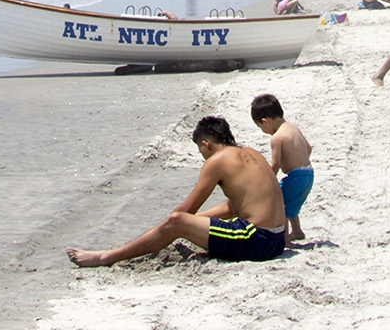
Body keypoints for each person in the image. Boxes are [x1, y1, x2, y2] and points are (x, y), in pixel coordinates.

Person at [67, 116, 286, 267]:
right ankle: (120, 250)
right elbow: (232, 206)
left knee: (174, 221)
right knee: (178, 223)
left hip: (257, 241)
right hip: (276, 240)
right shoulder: (251, 153)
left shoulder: (217, 161)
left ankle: (107, 257)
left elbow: (185, 212)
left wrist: (163, 228)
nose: (202, 155)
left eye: (200, 150)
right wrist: (181, 225)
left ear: (206, 144)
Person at [251, 94, 312, 242]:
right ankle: (297, 232)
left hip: (296, 176)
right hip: (308, 173)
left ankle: (284, 240)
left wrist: (267, 181)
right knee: (290, 202)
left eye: (260, 127)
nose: (262, 130)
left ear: (265, 121)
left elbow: (276, 164)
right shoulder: (293, 127)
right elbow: (308, 148)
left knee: (280, 204)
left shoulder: (277, 138)